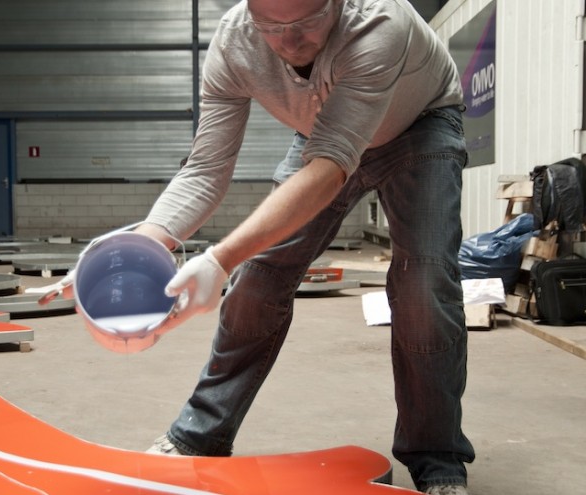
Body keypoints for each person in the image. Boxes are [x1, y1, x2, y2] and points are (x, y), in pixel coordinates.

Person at [129, 1, 473, 494]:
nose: (289, 42)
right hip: (323, 131)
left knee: (424, 285)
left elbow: (333, 166)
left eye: (307, 23)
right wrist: (139, 248)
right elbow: (205, 168)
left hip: (420, 124)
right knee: (259, 278)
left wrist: (220, 257)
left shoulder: (379, 23)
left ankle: (438, 460)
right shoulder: (234, 40)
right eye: (271, 26)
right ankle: (200, 433)